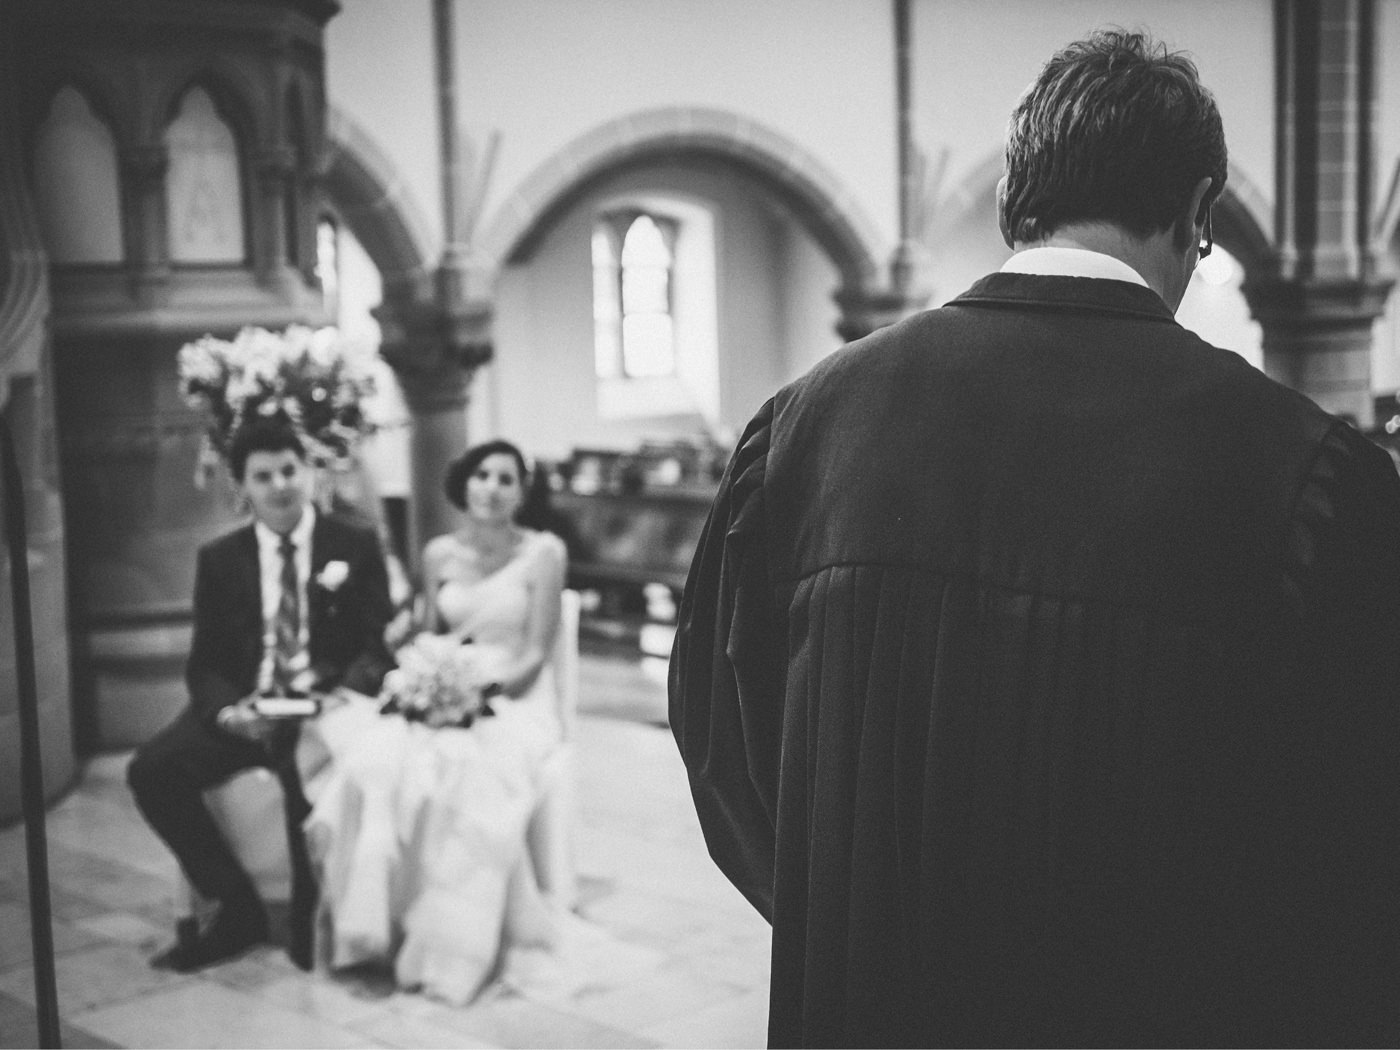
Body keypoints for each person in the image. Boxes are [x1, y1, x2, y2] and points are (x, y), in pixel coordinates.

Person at [669, 29, 1400, 1048]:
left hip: (869, 998)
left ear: (1021, 197)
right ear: (1195, 213)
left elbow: (724, 750)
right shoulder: (1302, 474)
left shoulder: (805, 428)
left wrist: (859, 916)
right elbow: (1350, 842)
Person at [305, 439, 573, 1004]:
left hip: (514, 698)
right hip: (442, 685)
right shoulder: (437, 554)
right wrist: (412, 646)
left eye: (506, 479)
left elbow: (533, 654)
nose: (492, 489)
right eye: (482, 475)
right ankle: (386, 921)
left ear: (522, 492)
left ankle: (453, 947)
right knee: (376, 765)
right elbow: (427, 629)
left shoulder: (544, 553)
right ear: (464, 483)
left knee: (468, 771)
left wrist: (477, 694)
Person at [128, 417, 394, 974]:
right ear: (241, 487)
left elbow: (375, 645)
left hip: (324, 710)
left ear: (309, 471)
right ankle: (236, 907)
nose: (280, 486)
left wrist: (334, 692)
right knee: (152, 770)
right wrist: (229, 712)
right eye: (263, 476)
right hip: (249, 710)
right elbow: (206, 662)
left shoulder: (354, 542)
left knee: (303, 780)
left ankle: (310, 921)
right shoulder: (220, 559)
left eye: (289, 470)